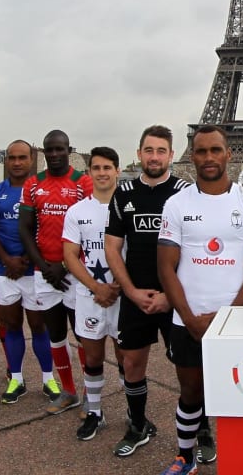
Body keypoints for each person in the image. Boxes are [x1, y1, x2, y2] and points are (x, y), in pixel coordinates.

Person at [156, 125, 243, 475]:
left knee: (240, 392)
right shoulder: (176, 203)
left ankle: (241, 460)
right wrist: (189, 318)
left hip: (234, 322)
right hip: (186, 320)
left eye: (215, 150)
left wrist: (228, 320)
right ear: (192, 156)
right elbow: (166, 267)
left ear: (228, 154)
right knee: (190, 391)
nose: (208, 158)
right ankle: (185, 456)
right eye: (202, 151)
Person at [105, 126, 190, 458]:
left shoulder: (185, 193)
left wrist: (171, 296)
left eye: (161, 151)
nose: (154, 156)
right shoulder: (123, 193)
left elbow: (194, 250)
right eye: (149, 150)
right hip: (134, 295)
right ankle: (138, 424)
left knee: (189, 368)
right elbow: (113, 248)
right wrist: (130, 291)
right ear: (139, 154)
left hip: (176, 298)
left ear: (171, 155)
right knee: (132, 363)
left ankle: (201, 429)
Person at [20, 130, 95, 414]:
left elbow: (90, 229)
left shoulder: (82, 183)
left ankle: (90, 388)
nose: (53, 155)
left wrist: (64, 265)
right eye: (48, 150)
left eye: (59, 149)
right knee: (55, 334)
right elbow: (25, 230)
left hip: (75, 271)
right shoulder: (33, 184)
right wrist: (43, 265)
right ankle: (68, 391)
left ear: (68, 150)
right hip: (44, 272)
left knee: (83, 334)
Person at [0, 140, 58, 404]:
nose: (17, 162)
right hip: (5, 272)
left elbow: (47, 228)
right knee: (12, 325)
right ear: (7, 160)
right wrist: (7, 260)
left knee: (39, 326)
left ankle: (49, 379)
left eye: (22, 157)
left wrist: (26, 259)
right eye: (12, 157)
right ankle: (16, 378)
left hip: (33, 270)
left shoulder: (41, 190)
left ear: (31, 159)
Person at [62, 147, 123, 441]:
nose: (102, 173)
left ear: (117, 171)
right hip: (90, 296)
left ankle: (133, 415)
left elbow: (137, 254)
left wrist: (119, 286)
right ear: (89, 173)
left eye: (107, 167)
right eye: (96, 168)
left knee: (128, 360)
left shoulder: (128, 206)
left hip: (123, 296)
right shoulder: (77, 211)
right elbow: (70, 256)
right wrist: (96, 286)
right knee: (93, 357)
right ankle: (95, 412)